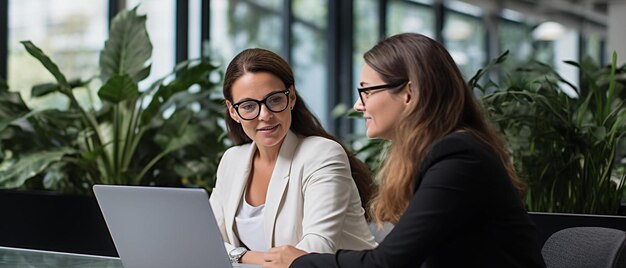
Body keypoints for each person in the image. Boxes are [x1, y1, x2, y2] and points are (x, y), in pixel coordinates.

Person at [262, 33, 546, 267]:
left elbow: (389, 263)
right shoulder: (442, 153)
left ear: (408, 94)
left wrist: (301, 262)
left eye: (367, 91)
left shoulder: (459, 158)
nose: (359, 105)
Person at [209, 48, 377, 265]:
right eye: (249, 106)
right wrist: (246, 256)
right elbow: (207, 240)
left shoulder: (322, 154)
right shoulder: (232, 160)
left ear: (292, 98)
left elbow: (316, 250)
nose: (265, 115)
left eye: (275, 100)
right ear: (233, 111)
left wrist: (241, 257)